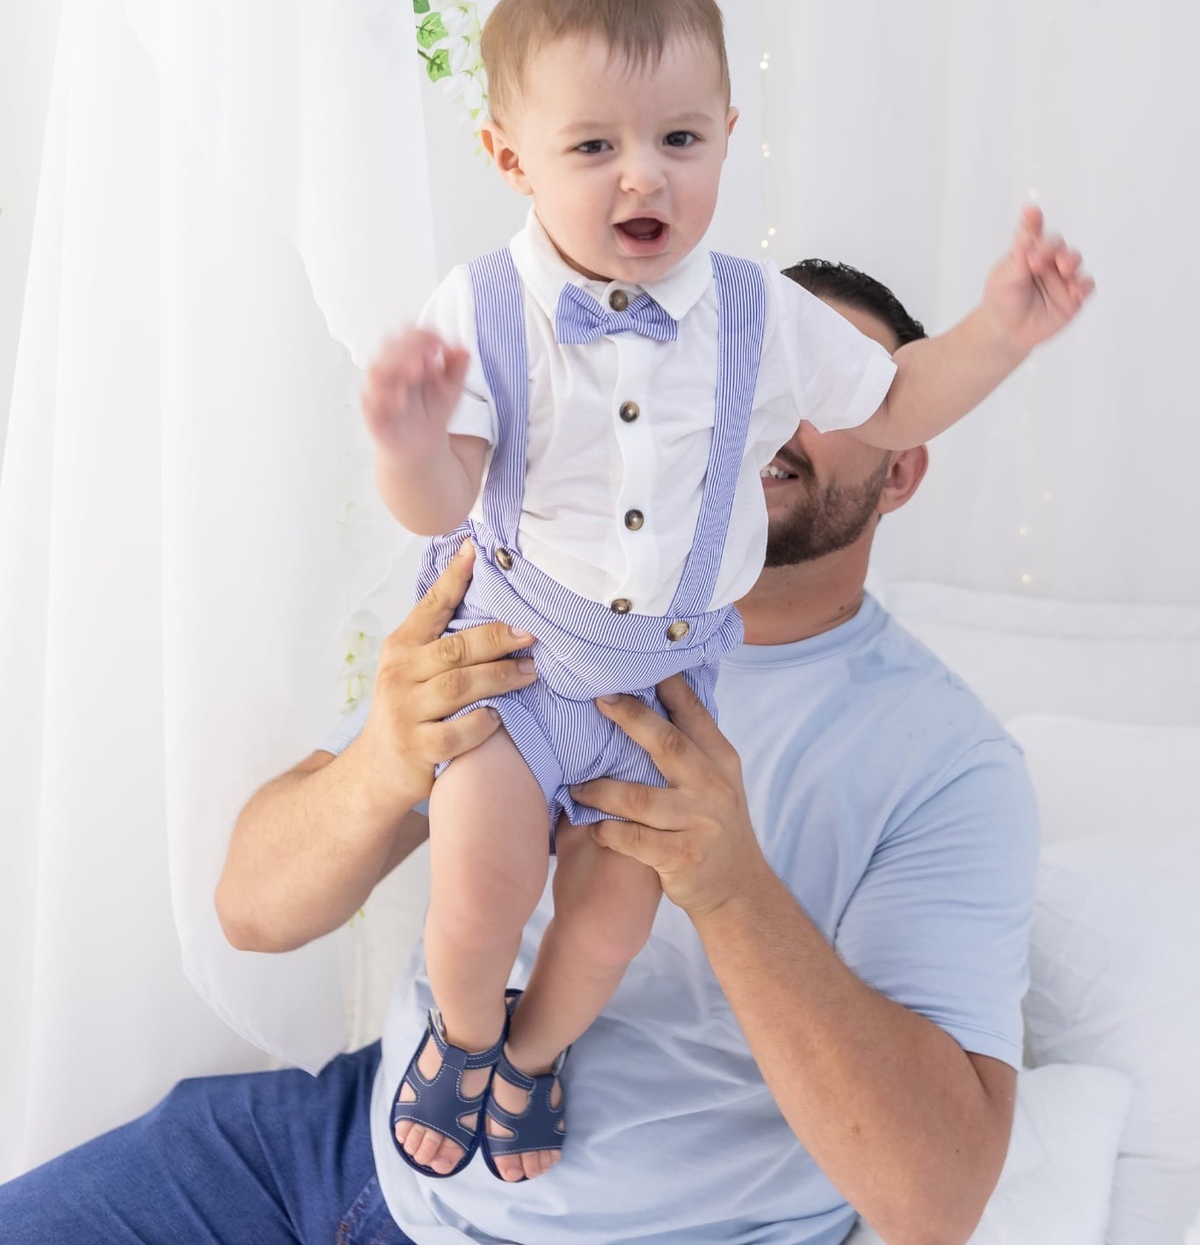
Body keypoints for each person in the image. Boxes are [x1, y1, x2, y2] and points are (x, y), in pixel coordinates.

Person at [0, 257, 1043, 1245]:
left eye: (827, 385)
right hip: (355, 1149)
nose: (771, 407)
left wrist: (732, 891)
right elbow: (253, 911)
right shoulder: (540, 584)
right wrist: (386, 760)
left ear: (901, 468)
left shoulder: (945, 763)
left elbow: (932, 1201)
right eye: (757, 371)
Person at [358, 0, 1088, 1183]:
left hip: (658, 696)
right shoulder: (483, 310)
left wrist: (1000, 334)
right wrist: (407, 439)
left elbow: (896, 399)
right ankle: (468, 1036)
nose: (643, 173)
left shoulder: (760, 313)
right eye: (594, 147)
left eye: (680, 140)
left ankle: (534, 1057)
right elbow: (443, 496)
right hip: (523, 673)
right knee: (479, 896)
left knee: (606, 924)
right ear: (509, 157)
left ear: (728, 137)